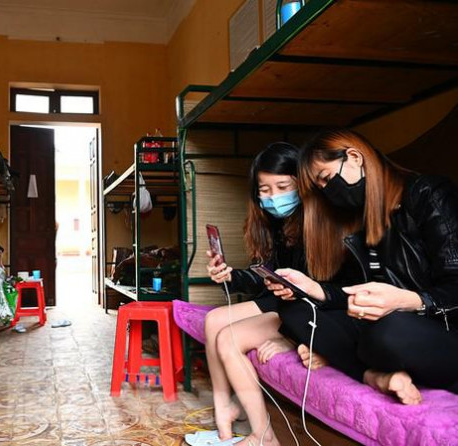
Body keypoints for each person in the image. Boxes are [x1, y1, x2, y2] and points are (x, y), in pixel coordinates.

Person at [270, 129, 458, 408]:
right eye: (320, 188)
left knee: (387, 330)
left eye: (326, 178)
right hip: (385, 323)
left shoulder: (428, 194)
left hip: (437, 328)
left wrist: (411, 301)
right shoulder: (359, 217)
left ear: (355, 157)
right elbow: (359, 292)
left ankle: (362, 367)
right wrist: (315, 289)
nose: (328, 192)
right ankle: (375, 375)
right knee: (297, 310)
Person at [190, 142, 305, 446]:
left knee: (228, 337)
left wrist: (290, 339)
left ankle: (264, 435)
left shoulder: (314, 223)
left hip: (303, 308)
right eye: (265, 190)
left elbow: (321, 293)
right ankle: (224, 408)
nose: (274, 197)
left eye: (283, 187)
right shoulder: (271, 223)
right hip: (279, 300)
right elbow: (262, 277)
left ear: (302, 183)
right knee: (213, 320)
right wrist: (230, 275)